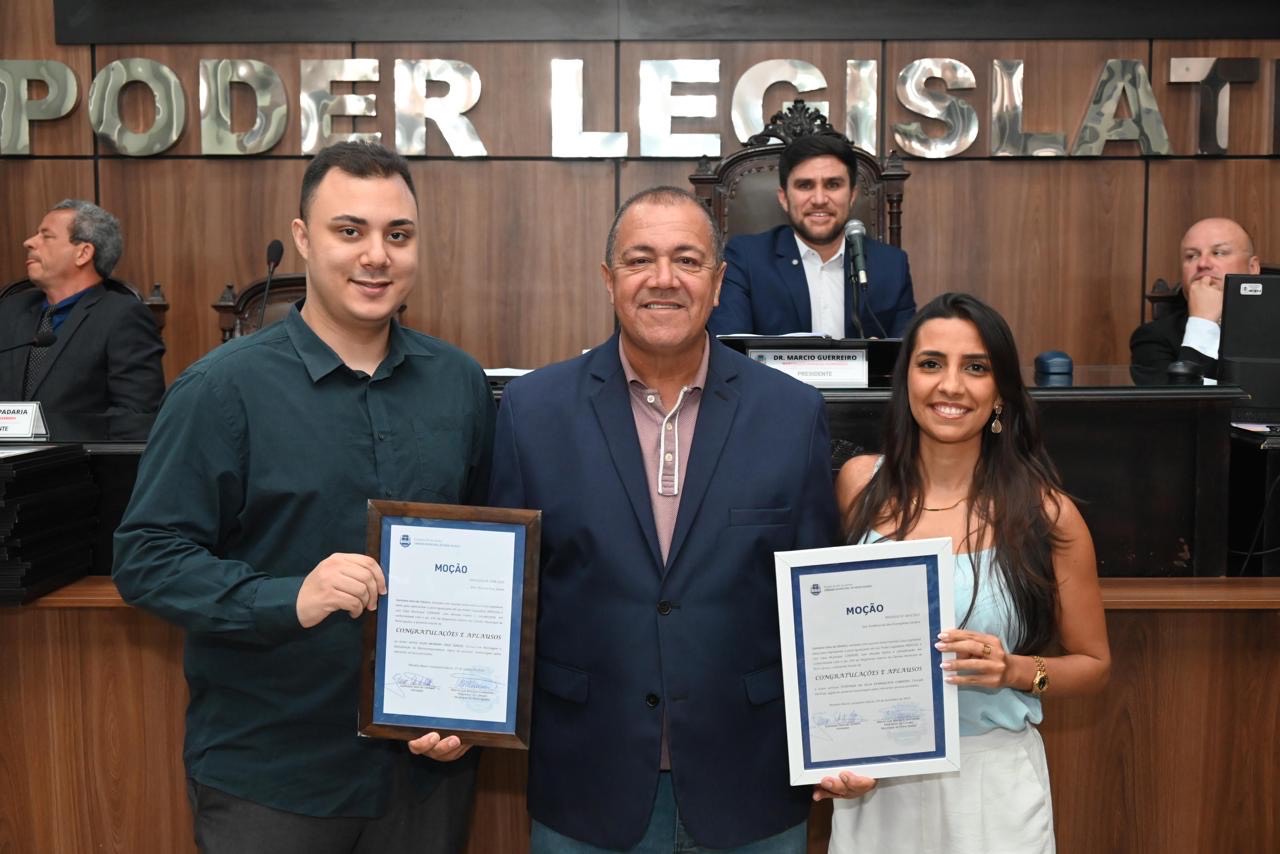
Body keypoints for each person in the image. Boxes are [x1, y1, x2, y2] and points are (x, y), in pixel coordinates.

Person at [113, 142, 494, 854]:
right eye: (349, 231)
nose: (376, 255)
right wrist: (289, 597)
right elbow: (147, 558)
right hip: (273, 779)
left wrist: (468, 714)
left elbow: (484, 559)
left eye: (398, 234)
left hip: (421, 781)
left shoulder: (460, 385)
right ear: (302, 240)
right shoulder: (221, 390)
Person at [488, 186, 874, 853]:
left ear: (719, 283)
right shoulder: (532, 412)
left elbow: (821, 596)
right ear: (609, 280)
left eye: (687, 261)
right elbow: (499, 597)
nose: (663, 280)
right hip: (587, 781)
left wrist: (852, 733)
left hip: (750, 781)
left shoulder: (789, 413)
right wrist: (450, 711)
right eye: (641, 260)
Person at [830, 292, 1111, 854]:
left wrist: (1014, 671)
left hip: (993, 785)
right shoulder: (859, 484)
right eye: (931, 363)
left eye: (975, 368)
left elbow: (1095, 666)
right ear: (906, 379)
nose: (951, 386)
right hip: (878, 785)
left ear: (1001, 392)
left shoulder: (1047, 513)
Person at [707, 134, 915, 340]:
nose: (819, 199)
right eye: (805, 186)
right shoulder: (746, 259)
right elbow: (730, 349)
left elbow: (906, 355)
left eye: (833, 185)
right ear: (784, 198)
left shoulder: (892, 265)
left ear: (852, 195)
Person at [0, 199, 164, 413]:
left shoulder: (123, 316)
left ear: (83, 253)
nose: (29, 242)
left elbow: (135, 414)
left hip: (82, 446)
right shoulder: (10, 309)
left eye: (46, 236)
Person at [1130, 217, 1261, 385]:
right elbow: (1179, 409)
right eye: (1191, 256)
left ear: (1252, 268)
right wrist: (1202, 323)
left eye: (1218, 253)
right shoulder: (1153, 339)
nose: (1203, 264)